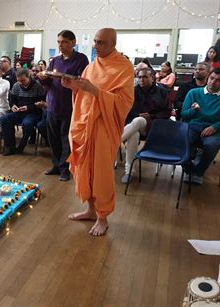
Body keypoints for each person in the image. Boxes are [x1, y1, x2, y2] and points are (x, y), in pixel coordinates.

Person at [62, 28, 134, 236]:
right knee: (85, 169)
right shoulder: (92, 66)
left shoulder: (124, 67)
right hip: (84, 124)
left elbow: (124, 102)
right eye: (95, 41)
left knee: (101, 172)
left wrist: (94, 90)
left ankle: (103, 217)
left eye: (101, 42)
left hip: (104, 126)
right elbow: (84, 93)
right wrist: (73, 87)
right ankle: (91, 210)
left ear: (113, 44)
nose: (96, 46)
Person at [38, 30, 89, 182]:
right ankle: (55, 164)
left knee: (66, 139)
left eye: (64, 42)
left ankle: (65, 168)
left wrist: (65, 77)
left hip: (70, 105)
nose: (61, 45)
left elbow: (82, 81)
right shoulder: (55, 60)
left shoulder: (81, 59)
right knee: (53, 138)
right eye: (59, 42)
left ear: (73, 42)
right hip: (52, 104)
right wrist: (42, 78)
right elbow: (48, 84)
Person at [121, 67, 171, 183]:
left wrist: (151, 116)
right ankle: (129, 172)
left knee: (139, 121)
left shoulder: (162, 92)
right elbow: (124, 112)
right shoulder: (131, 92)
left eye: (145, 77)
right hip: (132, 127)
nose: (141, 80)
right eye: (139, 77)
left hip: (154, 127)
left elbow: (168, 112)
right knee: (134, 135)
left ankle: (112, 144)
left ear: (152, 78)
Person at [181, 68, 220, 185]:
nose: (213, 82)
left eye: (218, 80)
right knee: (183, 141)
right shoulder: (194, 93)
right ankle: (188, 169)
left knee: (212, 144)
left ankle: (198, 171)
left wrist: (215, 127)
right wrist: (194, 111)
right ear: (208, 77)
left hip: (212, 128)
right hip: (192, 126)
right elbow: (184, 114)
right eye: (212, 78)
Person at [0, 69, 45, 155]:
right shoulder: (16, 86)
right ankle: (9, 147)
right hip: (19, 112)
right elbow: (12, 100)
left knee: (27, 124)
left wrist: (28, 107)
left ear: (29, 77)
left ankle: (21, 146)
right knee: (5, 119)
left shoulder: (37, 86)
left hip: (33, 113)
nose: (21, 83)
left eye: (23, 80)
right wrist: (13, 106)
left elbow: (41, 103)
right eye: (19, 81)